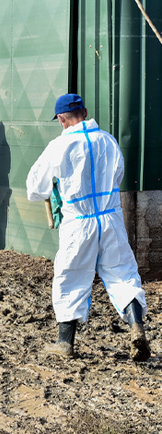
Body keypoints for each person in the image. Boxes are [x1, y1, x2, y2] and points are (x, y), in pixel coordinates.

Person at [26, 93, 151, 361]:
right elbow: (118, 175)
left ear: (62, 119)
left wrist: (55, 189)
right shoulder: (108, 140)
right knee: (123, 274)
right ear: (84, 112)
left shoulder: (58, 146)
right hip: (110, 218)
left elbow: (35, 188)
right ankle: (136, 326)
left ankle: (65, 343)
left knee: (70, 277)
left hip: (78, 223)